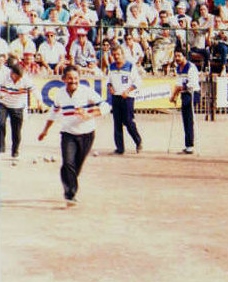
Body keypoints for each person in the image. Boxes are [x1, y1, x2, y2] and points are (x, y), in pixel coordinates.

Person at [37, 65, 110, 207]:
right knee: (68, 163)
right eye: (70, 78)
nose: (73, 81)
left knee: (76, 166)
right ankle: (70, 194)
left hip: (87, 135)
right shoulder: (59, 94)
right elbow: (53, 113)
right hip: (68, 134)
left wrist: (90, 115)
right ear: (64, 79)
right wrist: (45, 130)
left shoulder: (87, 92)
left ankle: (70, 184)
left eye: (76, 78)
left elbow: (106, 107)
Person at [0, 64, 42, 160]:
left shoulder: (25, 80)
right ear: (12, 73)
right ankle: (1, 147)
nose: (18, 80)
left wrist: (39, 101)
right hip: (3, 103)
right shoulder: (3, 77)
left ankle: (15, 150)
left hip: (17, 105)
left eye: (20, 78)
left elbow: (35, 90)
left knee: (16, 130)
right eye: (16, 77)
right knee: (0, 123)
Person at [107, 45, 143, 155]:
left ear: (123, 54)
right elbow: (108, 81)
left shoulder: (130, 66)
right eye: (114, 55)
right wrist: (110, 87)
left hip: (127, 98)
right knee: (117, 123)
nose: (116, 57)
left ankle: (138, 141)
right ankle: (120, 148)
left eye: (118, 54)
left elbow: (137, 82)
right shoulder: (111, 67)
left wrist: (128, 90)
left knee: (128, 121)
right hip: (116, 97)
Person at [169, 48, 200, 155]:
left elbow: (191, 84)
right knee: (185, 119)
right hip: (185, 93)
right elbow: (178, 83)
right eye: (175, 56)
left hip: (192, 93)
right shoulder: (178, 68)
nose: (177, 58)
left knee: (189, 119)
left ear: (184, 56)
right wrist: (174, 95)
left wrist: (177, 91)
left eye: (179, 56)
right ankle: (188, 145)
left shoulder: (191, 67)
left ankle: (190, 146)